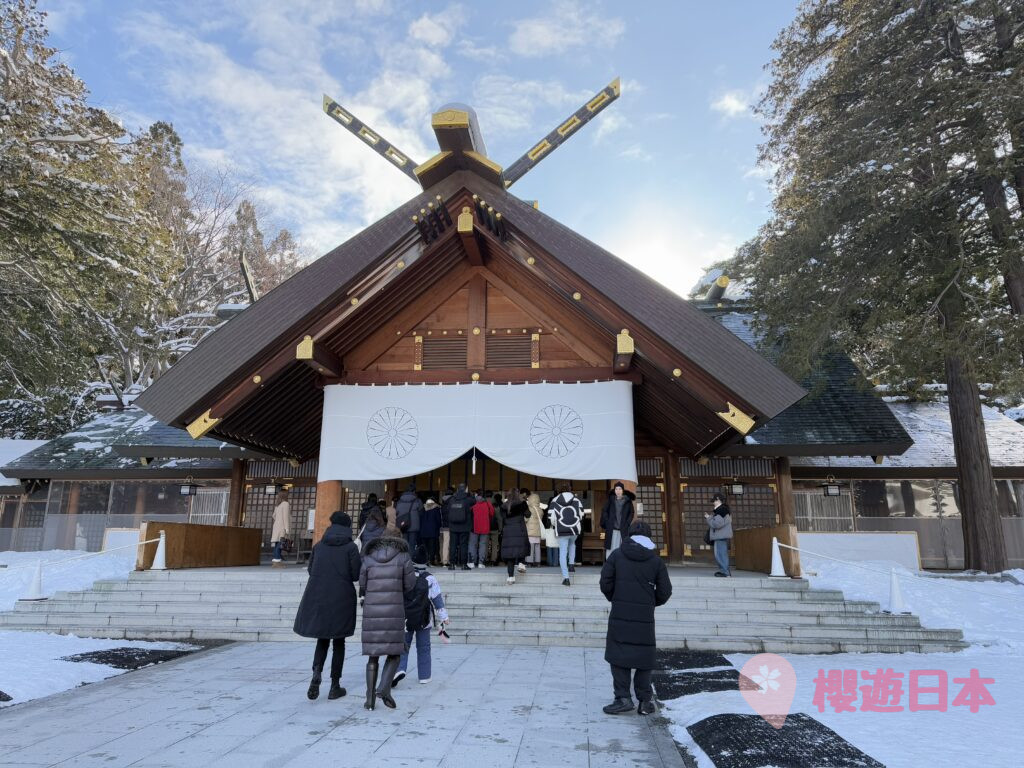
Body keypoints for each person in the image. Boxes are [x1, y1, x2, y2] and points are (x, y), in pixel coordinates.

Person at [600, 521, 672, 716]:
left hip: (620, 613)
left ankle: (623, 698)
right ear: (649, 537)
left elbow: (605, 582)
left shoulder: (616, 555)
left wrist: (616, 598)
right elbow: (665, 591)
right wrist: (650, 602)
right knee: (643, 657)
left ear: (629, 535)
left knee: (619, 655)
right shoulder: (656, 561)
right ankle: (644, 702)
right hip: (644, 617)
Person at [293, 511, 361, 700]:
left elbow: (311, 569)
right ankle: (335, 685)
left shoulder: (319, 546)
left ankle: (316, 674)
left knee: (322, 639)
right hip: (342, 597)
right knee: (339, 641)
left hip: (319, 596)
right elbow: (356, 574)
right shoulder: (350, 548)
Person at [359, 526, 416, 710]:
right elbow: (410, 585)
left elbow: (362, 583)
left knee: (373, 656)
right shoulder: (403, 557)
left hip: (372, 611)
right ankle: (383, 688)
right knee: (395, 652)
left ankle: (369, 699)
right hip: (394, 609)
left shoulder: (368, 557)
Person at [393, 545, 449, 686]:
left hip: (405, 617)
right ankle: (424, 676)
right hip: (424, 618)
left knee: (403, 645)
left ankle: (399, 669)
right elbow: (437, 600)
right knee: (424, 647)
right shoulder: (430, 579)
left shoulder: (404, 576)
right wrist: (444, 617)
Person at [547, 485, 584, 586]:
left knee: (563, 552)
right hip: (574, 529)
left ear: (559, 490)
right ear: (569, 490)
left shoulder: (554, 500)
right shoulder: (576, 500)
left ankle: (566, 578)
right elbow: (581, 514)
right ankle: (571, 564)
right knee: (572, 544)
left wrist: (556, 525)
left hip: (561, 529)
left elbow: (551, 516)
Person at [501, 488, 530, 584]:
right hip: (520, 530)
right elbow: (528, 515)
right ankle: (521, 563)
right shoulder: (522, 504)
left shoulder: (504, 506)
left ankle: (510, 577)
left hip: (508, 532)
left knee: (510, 555)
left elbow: (503, 519)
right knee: (521, 547)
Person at [600, 482, 635, 555]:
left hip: (623, 528)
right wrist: (607, 521)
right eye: (616, 489)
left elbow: (631, 513)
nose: (618, 491)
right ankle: (610, 563)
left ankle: (622, 564)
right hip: (612, 528)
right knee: (611, 548)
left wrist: (628, 523)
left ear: (623, 490)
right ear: (614, 490)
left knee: (623, 547)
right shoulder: (611, 500)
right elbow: (604, 510)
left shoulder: (628, 501)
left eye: (620, 489)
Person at [706, 493, 734, 577]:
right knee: (721, 553)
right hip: (721, 535)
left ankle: (725, 572)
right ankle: (725, 571)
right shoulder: (724, 509)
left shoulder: (721, 510)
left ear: (718, 500)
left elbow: (716, 524)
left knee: (720, 554)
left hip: (720, 535)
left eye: (714, 501)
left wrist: (708, 518)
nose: (713, 503)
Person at [446, 484, 473, 570]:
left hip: (453, 526)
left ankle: (452, 564)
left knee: (452, 545)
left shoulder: (451, 499)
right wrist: (469, 494)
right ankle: (464, 565)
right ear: (465, 490)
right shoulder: (468, 500)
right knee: (463, 545)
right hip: (464, 526)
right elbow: (475, 501)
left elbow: (448, 510)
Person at [468, 491, 494, 569]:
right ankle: (481, 563)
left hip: (474, 527)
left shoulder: (473, 503)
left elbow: (469, 514)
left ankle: (472, 562)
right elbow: (492, 513)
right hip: (485, 527)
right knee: (483, 545)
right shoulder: (488, 504)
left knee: (472, 545)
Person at [395, 483, 424, 551]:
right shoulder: (418, 501)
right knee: (412, 544)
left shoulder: (399, 501)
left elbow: (396, 512)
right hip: (414, 526)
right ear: (414, 491)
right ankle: (411, 560)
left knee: (404, 543)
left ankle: (405, 559)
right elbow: (421, 513)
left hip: (403, 525)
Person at [419, 498, 441, 566]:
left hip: (423, 531)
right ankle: (431, 561)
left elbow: (420, 520)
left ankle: (425, 560)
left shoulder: (422, 509)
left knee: (425, 547)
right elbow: (438, 521)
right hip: (433, 532)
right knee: (432, 547)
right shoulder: (436, 509)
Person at [270, 489, 291, 563]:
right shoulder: (286, 504)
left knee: (277, 543)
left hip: (276, 526)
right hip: (282, 527)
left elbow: (273, 516)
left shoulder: (278, 505)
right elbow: (285, 517)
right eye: (288, 494)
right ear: (285, 495)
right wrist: (287, 529)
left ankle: (276, 560)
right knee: (280, 544)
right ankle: (277, 561)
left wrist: (278, 520)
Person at [524, 489, 543, 566]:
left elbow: (525, 519)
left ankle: (529, 562)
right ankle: (538, 562)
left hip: (530, 531)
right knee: (537, 547)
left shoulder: (529, 509)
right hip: (538, 531)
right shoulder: (540, 510)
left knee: (530, 547)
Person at [488, 492, 504, 566]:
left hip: (485, 528)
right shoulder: (496, 506)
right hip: (495, 528)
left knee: (484, 544)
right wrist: (500, 529)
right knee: (494, 545)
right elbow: (499, 519)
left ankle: (484, 559)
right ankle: (493, 560)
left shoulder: (484, 504)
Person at [439, 487, 453, 566]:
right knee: (449, 543)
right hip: (451, 526)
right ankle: (447, 560)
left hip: (443, 526)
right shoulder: (452, 503)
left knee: (444, 543)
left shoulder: (442, 504)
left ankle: (443, 560)